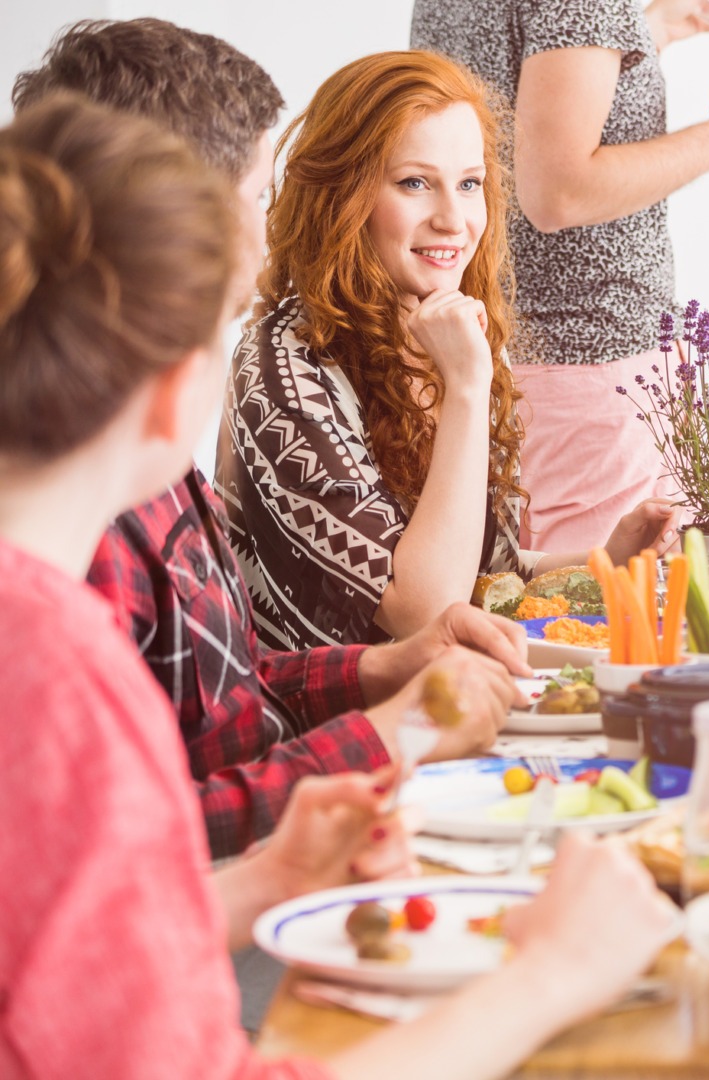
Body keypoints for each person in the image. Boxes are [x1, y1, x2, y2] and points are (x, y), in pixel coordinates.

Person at [0, 92, 679, 1080]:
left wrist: (265, 880)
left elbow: (58, 945)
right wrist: (549, 976)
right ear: (170, 393)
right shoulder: (56, 676)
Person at [13, 18, 525, 860]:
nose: (267, 225)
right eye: (257, 194)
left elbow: (231, 692)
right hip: (243, 876)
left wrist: (377, 673)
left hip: (273, 849)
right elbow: (136, 844)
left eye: (470, 184)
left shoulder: (139, 464)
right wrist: (390, 734)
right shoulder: (87, 509)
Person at [219, 51, 681, 653]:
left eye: (469, 184)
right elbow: (424, 611)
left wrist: (603, 562)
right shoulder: (285, 369)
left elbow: (476, 575)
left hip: (443, 702)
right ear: (343, 195)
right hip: (327, 726)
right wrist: (466, 388)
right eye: (415, 183)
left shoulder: (452, 329)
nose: (454, 219)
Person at [410, 0, 709, 550]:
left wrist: (639, 35)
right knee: (598, 619)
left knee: (533, 604)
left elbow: (508, 104)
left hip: (511, 353)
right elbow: (559, 192)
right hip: (596, 364)